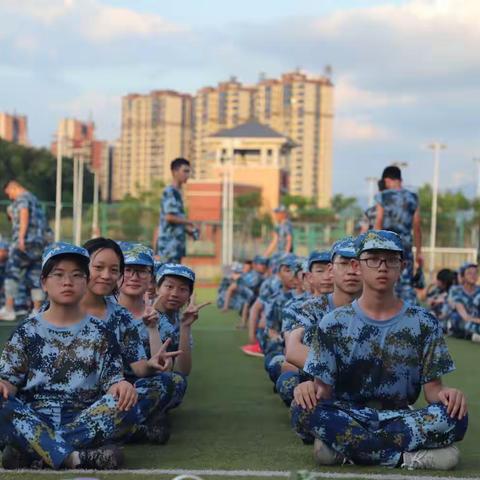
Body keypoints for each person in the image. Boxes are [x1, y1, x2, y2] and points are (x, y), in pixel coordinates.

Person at [291, 230, 468, 471]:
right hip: (350, 414)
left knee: (455, 416)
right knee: (302, 409)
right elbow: (323, 391)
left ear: (402, 266)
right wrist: (307, 388)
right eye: (373, 259)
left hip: (401, 416)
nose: (382, 267)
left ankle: (350, 451)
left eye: (391, 259)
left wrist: (449, 395)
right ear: (358, 265)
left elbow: (433, 390)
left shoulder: (423, 322)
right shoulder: (333, 322)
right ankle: (403, 458)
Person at [0, 242, 139, 470]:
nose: (67, 282)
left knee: (128, 404)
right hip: (35, 416)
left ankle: (35, 452)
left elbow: (112, 383)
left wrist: (122, 386)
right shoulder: (27, 331)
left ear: (86, 282)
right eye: (58, 274)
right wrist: (2, 385)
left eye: (77, 275)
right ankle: (75, 458)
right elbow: (9, 382)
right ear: (44, 282)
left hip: (82, 419)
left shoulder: (100, 333)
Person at [278, 240, 361, 408]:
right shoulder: (307, 309)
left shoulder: (379, 309)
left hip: (364, 387)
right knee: (289, 382)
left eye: (358, 264)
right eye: (344, 264)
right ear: (332, 270)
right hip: (317, 380)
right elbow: (292, 353)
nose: (352, 271)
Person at [0, 179, 47, 321]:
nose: (10, 197)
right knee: (34, 275)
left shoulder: (22, 199)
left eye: (9, 194)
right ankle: (37, 310)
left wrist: (21, 237)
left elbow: (24, 213)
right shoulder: (34, 199)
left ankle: (9, 309)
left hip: (24, 242)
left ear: (13, 188)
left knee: (11, 272)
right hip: (39, 244)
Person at [374, 166, 422, 304]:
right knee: (406, 286)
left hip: (387, 247)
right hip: (406, 248)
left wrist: (376, 247)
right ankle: (411, 320)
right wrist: (419, 252)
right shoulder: (413, 197)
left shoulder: (383, 196)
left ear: (387, 180)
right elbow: (417, 226)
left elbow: (378, 221)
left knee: (387, 284)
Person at [154, 158, 197, 264]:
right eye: (185, 171)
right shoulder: (170, 192)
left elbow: (175, 221)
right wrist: (189, 222)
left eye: (188, 171)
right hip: (169, 248)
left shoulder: (177, 193)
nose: (187, 174)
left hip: (175, 247)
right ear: (175, 172)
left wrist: (188, 230)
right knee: (168, 278)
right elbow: (169, 217)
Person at [447, 262, 480, 340]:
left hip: (475, 320)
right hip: (463, 321)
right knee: (458, 320)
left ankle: (474, 335)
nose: (473, 276)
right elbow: (465, 317)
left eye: (475, 273)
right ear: (463, 276)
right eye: (469, 273)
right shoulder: (455, 290)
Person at [426, 268, 456, 333]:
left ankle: (444, 326)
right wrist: (429, 286)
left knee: (446, 305)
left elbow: (452, 305)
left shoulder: (453, 290)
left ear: (444, 282)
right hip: (437, 316)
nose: (436, 281)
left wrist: (441, 300)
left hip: (447, 318)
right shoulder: (437, 290)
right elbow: (428, 301)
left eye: (438, 280)